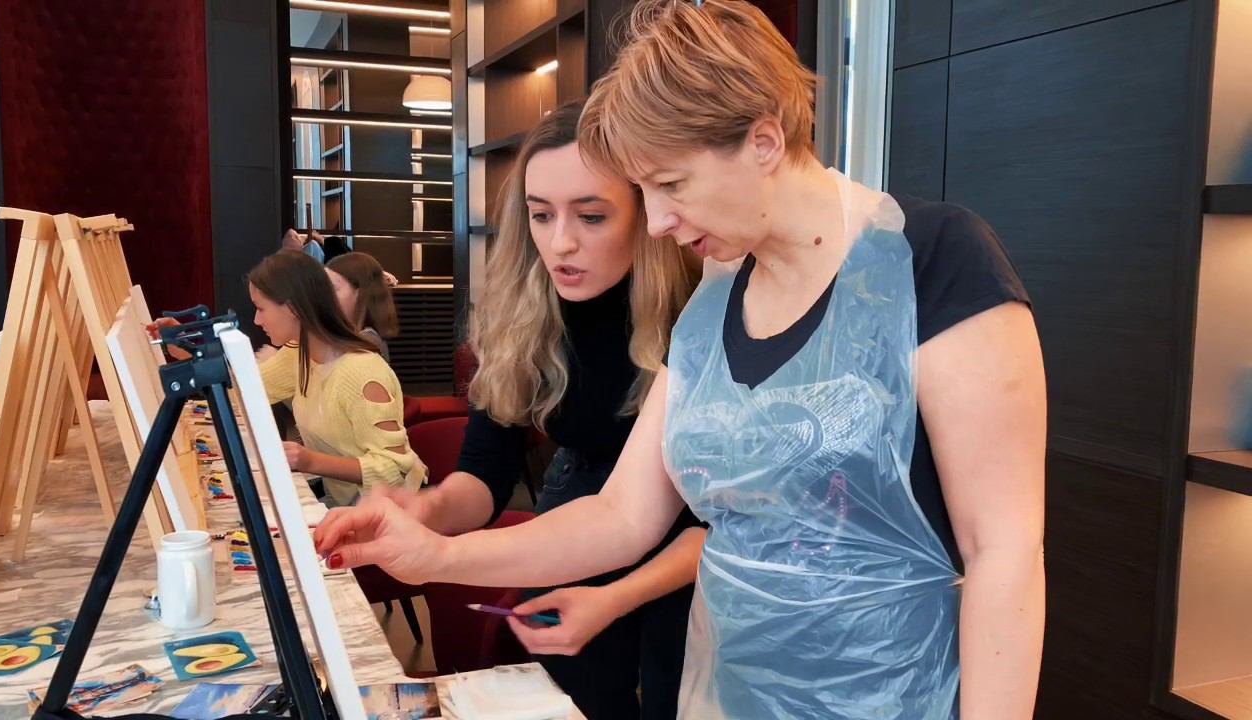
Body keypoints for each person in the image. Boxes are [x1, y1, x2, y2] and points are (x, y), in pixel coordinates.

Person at [314, 2, 1046, 719]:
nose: (658, 222)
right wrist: (435, 555)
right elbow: (620, 517)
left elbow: (1003, 552)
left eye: (671, 185)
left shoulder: (933, 260)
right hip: (725, 687)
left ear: (764, 142)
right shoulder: (711, 307)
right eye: (645, 191)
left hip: (893, 695)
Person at [375, 102, 701, 719]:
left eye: (591, 216)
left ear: (648, 214)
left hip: (688, 563)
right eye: (541, 215)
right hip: (571, 524)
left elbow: (721, 523)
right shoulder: (526, 310)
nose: (560, 243)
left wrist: (620, 597)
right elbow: (484, 471)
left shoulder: (699, 314)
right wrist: (429, 509)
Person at [152, 250, 425, 507]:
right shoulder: (300, 353)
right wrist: (189, 348)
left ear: (293, 308)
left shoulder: (361, 372)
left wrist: (309, 461)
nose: (257, 320)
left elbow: (393, 470)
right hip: (346, 502)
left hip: (391, 511)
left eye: (261, 308)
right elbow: (244, 388)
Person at [326, 252, 398, 363]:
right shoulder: (353, 336)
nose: (326, 295)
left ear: (359, 294)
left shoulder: (367, 344)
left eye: (334, 288)